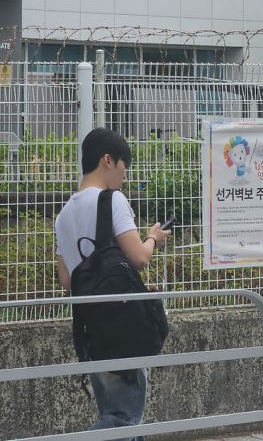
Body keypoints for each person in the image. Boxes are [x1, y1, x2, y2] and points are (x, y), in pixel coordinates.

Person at [55, 128, 170, 436]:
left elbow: (67, 279)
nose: (124, 176)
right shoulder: (112, 200)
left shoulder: (63, 215)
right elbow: (139, 258)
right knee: (123, 420)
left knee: (119, 415)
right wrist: (153, 238)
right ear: (108, 160)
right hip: (123, 327)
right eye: (123, 167)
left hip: (91, 331)